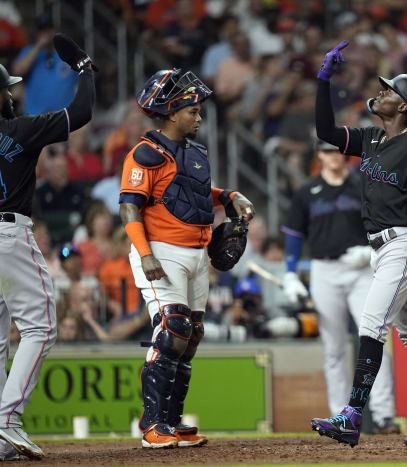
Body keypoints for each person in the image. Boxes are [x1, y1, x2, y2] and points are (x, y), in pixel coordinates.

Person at [311, 41, 407, 448]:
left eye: (388, 90)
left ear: (403, 107)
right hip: (383, 250)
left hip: (404, 244)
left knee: (371, 324)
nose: (380, 92)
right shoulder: (373, 140)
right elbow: (325, 131)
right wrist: (323, 80)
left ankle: (352, 414)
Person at [119, 68, 254, 449]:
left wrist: (228, 195)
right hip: (160, 251)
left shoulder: (195, 152)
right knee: (173, 328)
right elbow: (129, 208)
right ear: (172, 113)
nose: (198, 116)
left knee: (191, 335)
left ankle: (171, 423)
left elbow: (189, 192)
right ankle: (151, 425)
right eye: (192, 111)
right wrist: (144, 255)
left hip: (196, 255)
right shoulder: (144, 153)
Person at [0, 32, 96, 459]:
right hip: (8, 233)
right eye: (6, 90)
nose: (11, 95)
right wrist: (85, 69)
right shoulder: (20, 130)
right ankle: (7, 418)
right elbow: (82, 111)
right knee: (41, 326)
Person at [281, 140, 399, 434]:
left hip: (361, 270)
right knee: (333, 347)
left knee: (373, 339)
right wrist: (291, 273)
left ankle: (384, 414)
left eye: (337, 151)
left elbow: (383, 226)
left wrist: (371, 251)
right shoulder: (307, 191)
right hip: (324, 268)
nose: (333, 156)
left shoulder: (362, 185)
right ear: (318, 154)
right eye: (326, 151)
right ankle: (341, 416)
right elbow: (295, 236)